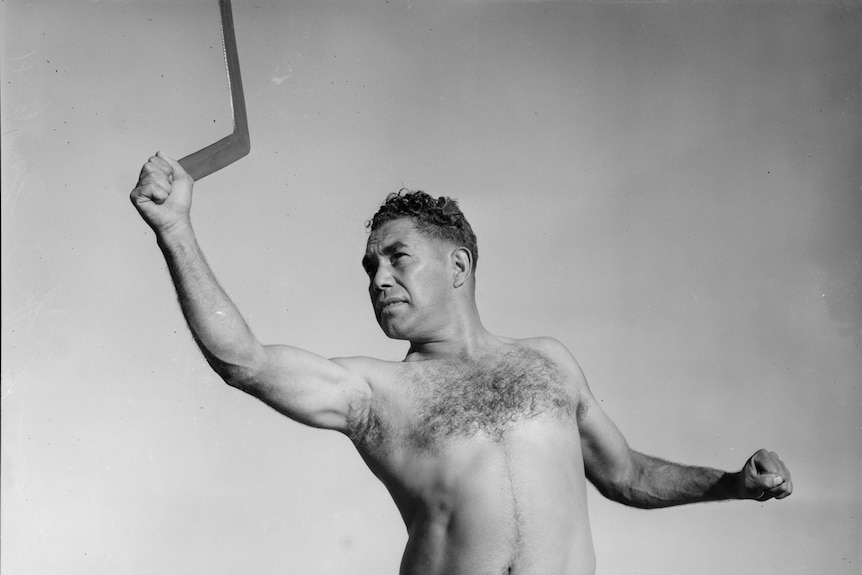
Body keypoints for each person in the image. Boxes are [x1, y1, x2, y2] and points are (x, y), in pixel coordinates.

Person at [131, 152, 793, 575]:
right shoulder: (375, 389)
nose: (377, 278)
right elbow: (243, 360)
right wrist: (176, 229)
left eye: (395, 256)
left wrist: (732, 481)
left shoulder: (549, 362)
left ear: (457, 265)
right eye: (369, 267)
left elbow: (627, 473)